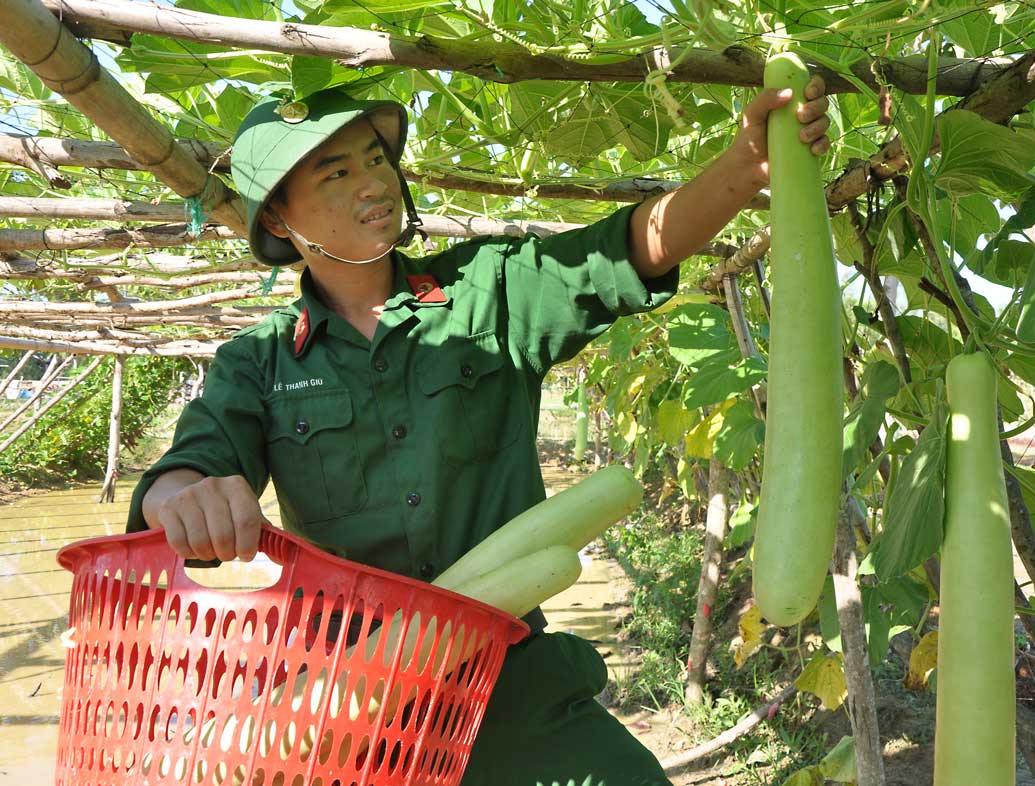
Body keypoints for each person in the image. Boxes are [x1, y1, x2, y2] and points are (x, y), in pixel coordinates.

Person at [127, 77, 831, 786]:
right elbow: (192, 463)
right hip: (350, 700)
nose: (374, 184)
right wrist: (184, 499)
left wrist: (745, 165)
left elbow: (627, 251)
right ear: (280, 223)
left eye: (376, 161)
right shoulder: (258, 362)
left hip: (511, 678)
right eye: (336, 174)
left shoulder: (491, 289)